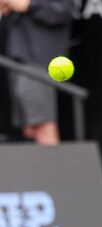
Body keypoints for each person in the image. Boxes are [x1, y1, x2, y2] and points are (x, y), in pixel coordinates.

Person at [0, 0, 73, 145]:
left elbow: (64, 11)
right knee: (29, 130)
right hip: (17, 64)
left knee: (43, 127)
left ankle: (56, 168)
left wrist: (29, 5)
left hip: (37, 64)